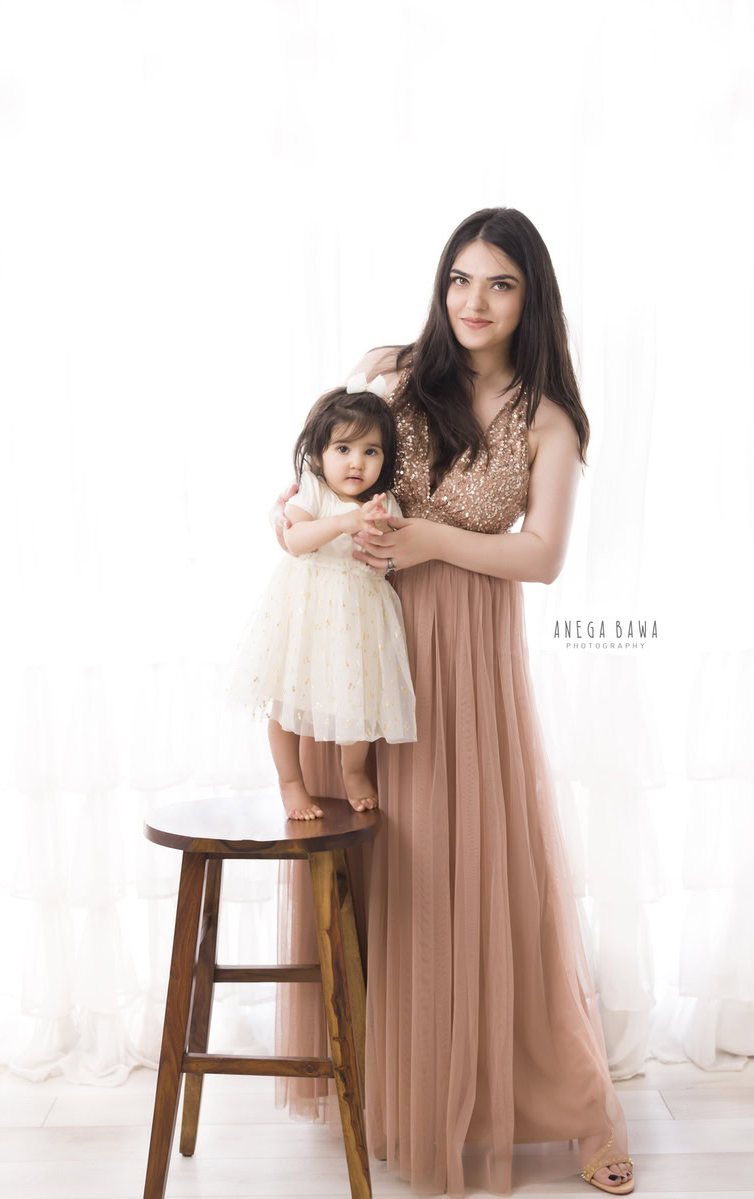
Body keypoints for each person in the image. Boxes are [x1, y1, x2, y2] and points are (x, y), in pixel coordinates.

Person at [270, 208, 635, 1196]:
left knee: (478, 871)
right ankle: (393, 1089)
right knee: (383, 857)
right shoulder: (390, 370)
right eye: (459, 280)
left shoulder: (548, 415)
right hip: (363, 644)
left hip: (468, 660)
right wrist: (293, 514)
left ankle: (566, 1103)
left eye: (499, 284)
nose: (472, 302)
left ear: (530, 298)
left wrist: (430, 541)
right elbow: (313, 473)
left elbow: (543, 556)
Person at [226, 375, 416, 821]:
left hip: (358, 615)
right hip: (305, 608)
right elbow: (296, 539)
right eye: (343, 449)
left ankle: (353, 771)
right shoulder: (313, 490)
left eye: (371, 452)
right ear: (319, 454)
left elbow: (393, 553)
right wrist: (345, 522)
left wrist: (377, 527)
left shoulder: (382, 503)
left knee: (358, 697)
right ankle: (291, 780)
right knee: (285, 697)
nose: (357, 463)